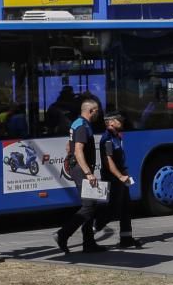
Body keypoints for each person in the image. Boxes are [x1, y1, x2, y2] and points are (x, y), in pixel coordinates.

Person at [53, 99, 106, 253]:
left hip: (78, 168)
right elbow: (78, 150)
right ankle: (63, 234)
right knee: (89, 206)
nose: (99, 114)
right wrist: (88, 173)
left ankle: (88, 243)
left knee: (91, 204)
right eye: (97, 111)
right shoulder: (83, 126)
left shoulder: (76, 123)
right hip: (81, 169)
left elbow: (69, 145)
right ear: (92, 111)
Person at [94, 113, 142, 249]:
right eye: (119, 120)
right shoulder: (107, 139)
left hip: (121, 176)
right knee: (113, 209)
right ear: (110, 122)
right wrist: (120, 176)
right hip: (113, 178)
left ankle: (126, 239)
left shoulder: (116, 136)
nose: (122, 121)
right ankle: (93, 228)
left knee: (126, 207)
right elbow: (108, 161)